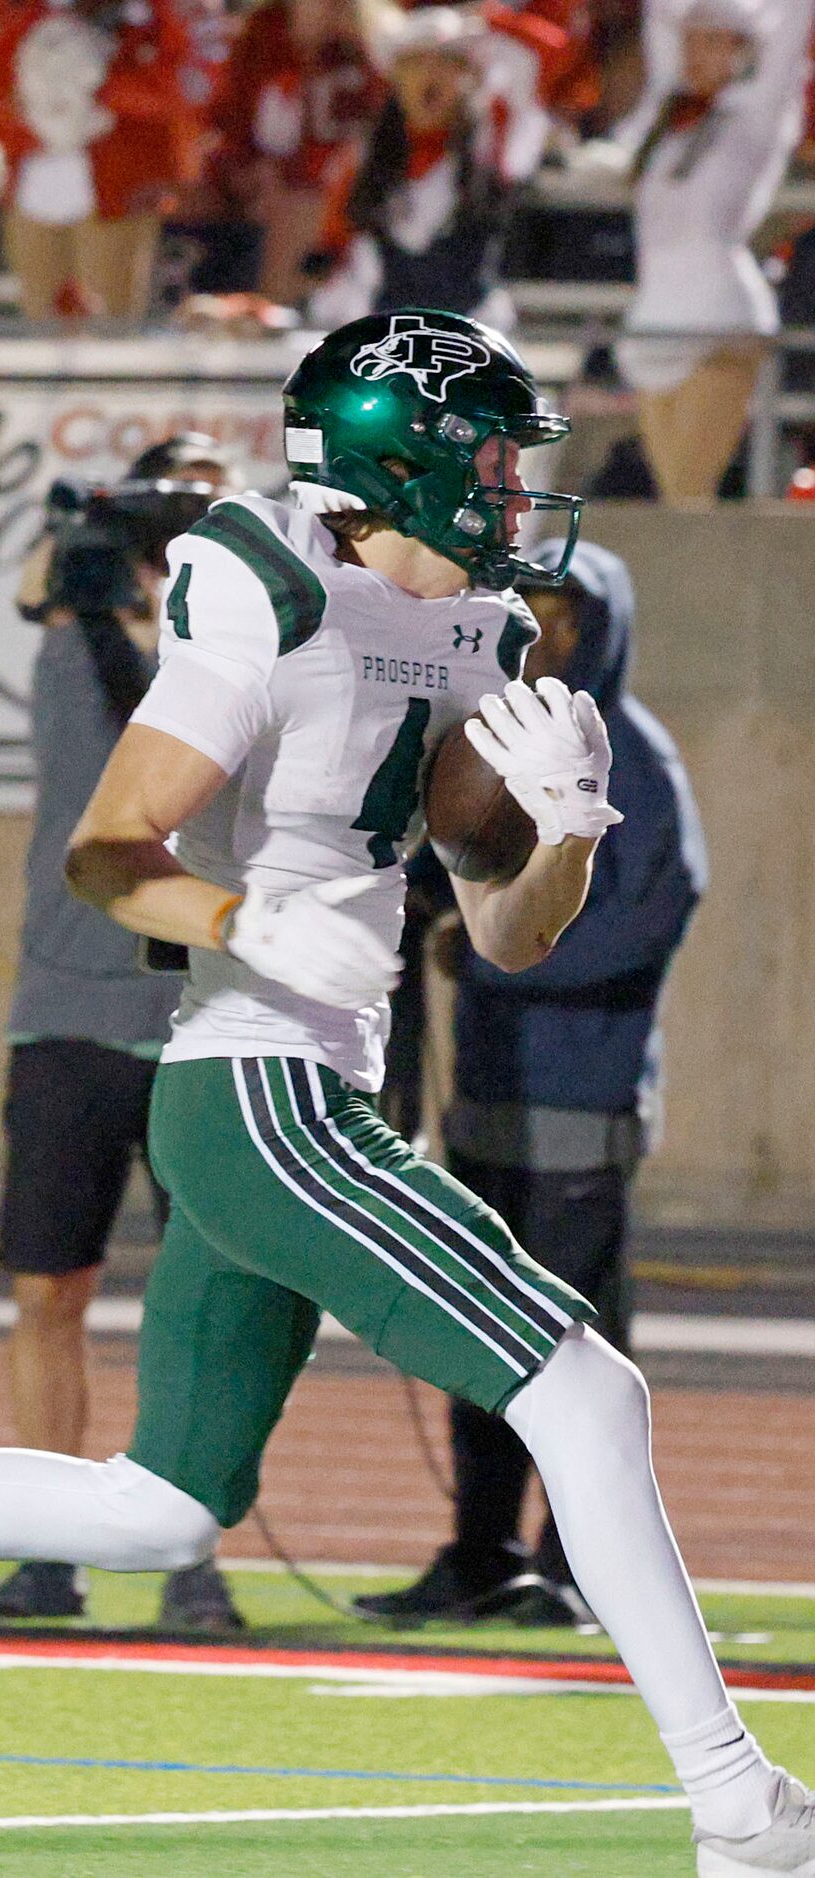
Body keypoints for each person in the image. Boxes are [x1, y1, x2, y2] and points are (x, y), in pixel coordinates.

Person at [0, 307, 815, 1878]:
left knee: (160, 1508)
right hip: (253, 1088)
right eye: (489, 455)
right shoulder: (268, 594)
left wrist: (561, 830)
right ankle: (739, 1804)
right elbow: (108, 850)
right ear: (398, 464)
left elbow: (501, 931)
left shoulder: (479, 634)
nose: (512, 488)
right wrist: (241, 917)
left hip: (319, 1085)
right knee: (588, 1392)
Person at [358, 541, 707, 1627]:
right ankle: (479, 1551)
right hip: (489, 1091)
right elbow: (441, 864)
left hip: (582, 1097)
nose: (546, 632)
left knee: (573, 1347)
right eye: (533, 608)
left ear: (604, 625)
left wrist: (495, 951)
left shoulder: (635, 760)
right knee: (482, 1335)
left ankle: (573, 1566)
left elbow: (652, 919)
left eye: (566, 612)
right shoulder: (496, 742)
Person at [0, 433, 240, 1631]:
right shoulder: (77, 655)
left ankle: (191, 1555)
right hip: (70, 1015)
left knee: (212, 1301)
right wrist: (84, 536)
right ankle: (50, 1549)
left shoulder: (251, 664)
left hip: (205, 1021)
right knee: (48, 1292)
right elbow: (43, 591)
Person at [608, 0, 812, 507]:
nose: (693, 52)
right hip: (654, 319)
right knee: (669, 498)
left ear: (742, 51)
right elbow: (659, 24)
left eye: (713, 40)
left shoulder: (755, 116)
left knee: (685, 493)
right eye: (690, 40)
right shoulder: (665, 121)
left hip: (719, 321)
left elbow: (789, 35)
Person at [0, 0, 203, 324]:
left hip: (120, 186)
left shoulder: (162, 12)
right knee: (40, 325)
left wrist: (102, 89)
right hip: (33, 182)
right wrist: (33, 116)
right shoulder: (16, 13)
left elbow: (190, 84)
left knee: (110, 327)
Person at [305, 8, 520, 329]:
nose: (430, 76)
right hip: (378, 325)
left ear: (467, 76)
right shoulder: (362, 157)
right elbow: (333, 244)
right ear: (396, 76)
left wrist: (493, 16)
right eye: (416, 63)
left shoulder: (494, 146)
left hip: (470, 329)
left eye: (446, 63)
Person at [207, 0, 380, 305]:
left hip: (346, 188)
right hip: (267, 185)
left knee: (307, 201)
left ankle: (284, 310)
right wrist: (249, 171)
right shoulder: (262, 32)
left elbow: (379, 126)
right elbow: (230, 123)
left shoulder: (367, 39)